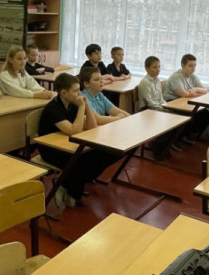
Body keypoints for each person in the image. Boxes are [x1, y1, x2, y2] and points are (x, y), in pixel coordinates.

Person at [37, 72, 122, 209]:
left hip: (69, 144)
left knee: (107, 154)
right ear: (64, 93)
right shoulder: (53, 109)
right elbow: (74, 130)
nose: (79, 94)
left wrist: (86, 106)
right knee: (82, 162)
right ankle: (69, 189)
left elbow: (92, 126)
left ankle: (67, 185)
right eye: (76, 91)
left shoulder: (72, 104)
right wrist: (82, 107)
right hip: (51, 150)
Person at [163, 54, 209, 144]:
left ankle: (185, 135)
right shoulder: (176, 77)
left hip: (185, 102)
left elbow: (205, 90)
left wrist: (195, 89)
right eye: (190, 66)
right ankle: (175, 139)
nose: (193, 68)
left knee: (206, 115)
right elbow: (183, 94)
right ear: (183, 65)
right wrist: (195, 94)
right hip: (171, 102)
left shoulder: (193, 76)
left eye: (195, 66)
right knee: (189, 116)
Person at [136, 56, 175, 159]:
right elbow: (149, 102)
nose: (158, 69)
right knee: (168, 122)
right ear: (147, 68)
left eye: (159, 67)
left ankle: (161, 146)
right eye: (154, 67)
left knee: (175, 120)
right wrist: (163, 110)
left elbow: (160, 98)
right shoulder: (145, 82)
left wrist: (166, 106)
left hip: (157, 108)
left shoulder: (157, 80)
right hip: (146, 110)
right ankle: (157, 147)